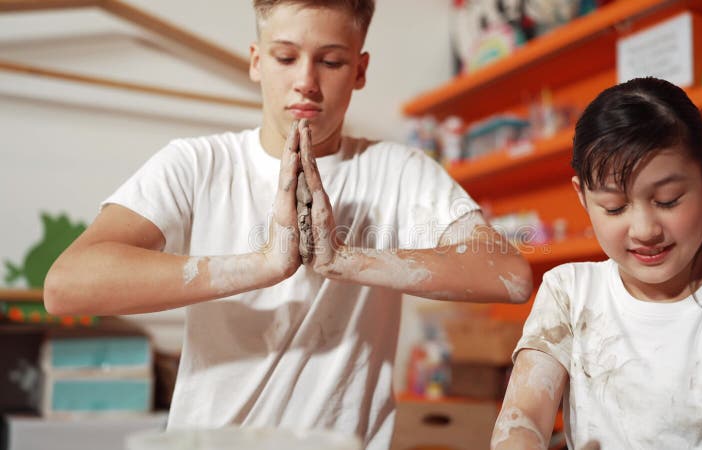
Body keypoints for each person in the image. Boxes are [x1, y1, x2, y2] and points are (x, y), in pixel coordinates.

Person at [42, 1, 534, 449]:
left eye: (332, 61)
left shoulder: (397, 170)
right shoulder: (197, 164)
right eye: (285, 57)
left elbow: (508, 274)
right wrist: (263, 264)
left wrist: (344, 258)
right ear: (256, 61)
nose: (307, 81)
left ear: (360, 70)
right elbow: (67, 287)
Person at [491, 77, 702, 450]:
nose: (644, 230)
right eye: (614, 207)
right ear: (583, 197)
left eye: (668, 200)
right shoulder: (568, 293)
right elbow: (522, 417)